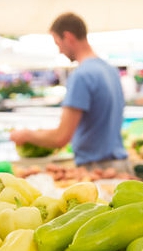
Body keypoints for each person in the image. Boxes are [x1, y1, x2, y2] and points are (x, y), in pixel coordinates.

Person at [10, 12, 132, 174]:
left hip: (97, 170)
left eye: (57, 43)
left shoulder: (81, 75)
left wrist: (26, 135)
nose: (59, 51)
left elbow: (61, 137)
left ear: (68, 37)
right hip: (120, 166)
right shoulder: (109, 70)